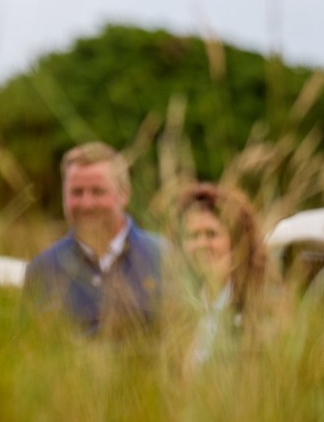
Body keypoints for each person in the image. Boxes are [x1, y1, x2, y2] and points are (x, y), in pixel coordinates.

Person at [24, 143, 165, 337]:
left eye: (98, 192)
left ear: (124, 194)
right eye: (76, 192)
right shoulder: (41, 270)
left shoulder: (165, 259)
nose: (86, 203)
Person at [174, 182, 269, 365]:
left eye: (211, 234)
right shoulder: (184, 307)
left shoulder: (259, 305)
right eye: (193, 236)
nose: (202, 245)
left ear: (237, 240)